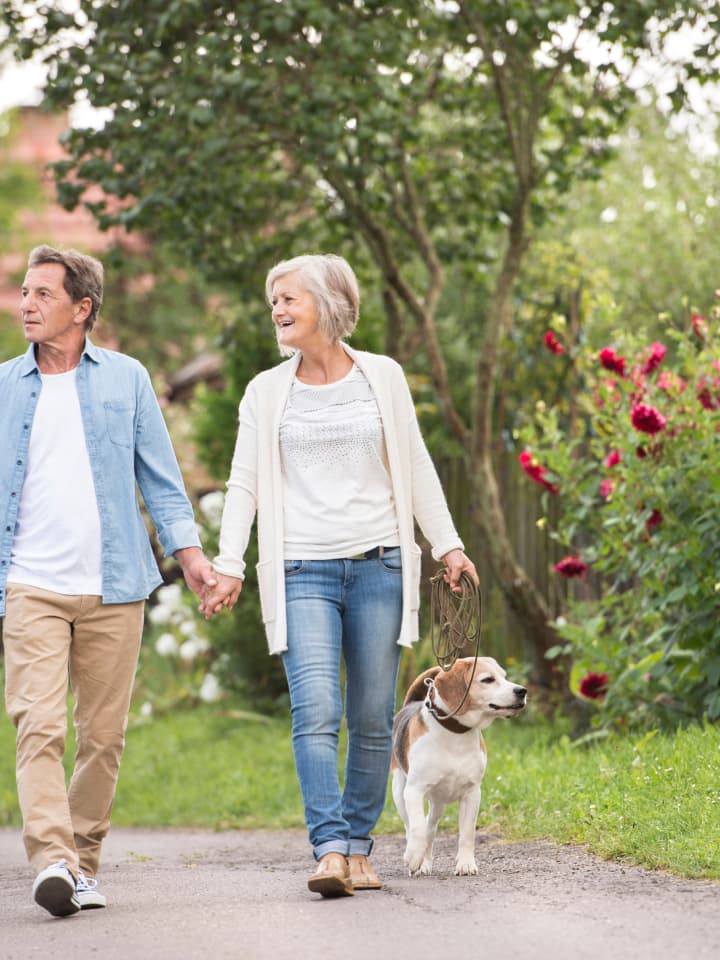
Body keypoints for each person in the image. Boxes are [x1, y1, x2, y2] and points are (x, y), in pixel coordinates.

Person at [202, 253, 477, 897]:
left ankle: (359, 847)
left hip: (379, 562)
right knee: (317, 710)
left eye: (289, 298)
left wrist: (448, 544)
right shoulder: (266, 390)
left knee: (375, 714)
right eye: (273, 299)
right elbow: (242, 484)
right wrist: (228, 564)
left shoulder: (382, 377)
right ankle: (328, 848)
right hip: (301, 570)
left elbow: (415, 464)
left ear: (328, 304)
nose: (277, 310)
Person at [0, 245, 216, 918]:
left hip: (113, 584)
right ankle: (52, 859)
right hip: (29, 582)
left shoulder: (126, 379)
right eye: (25, 292)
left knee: (102, 736)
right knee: (37, 724)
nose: (26, 304)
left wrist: (191, 557)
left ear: (81, 308)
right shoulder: (5, 384)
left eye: (41, 294)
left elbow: (162, 479)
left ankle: (82, 863)